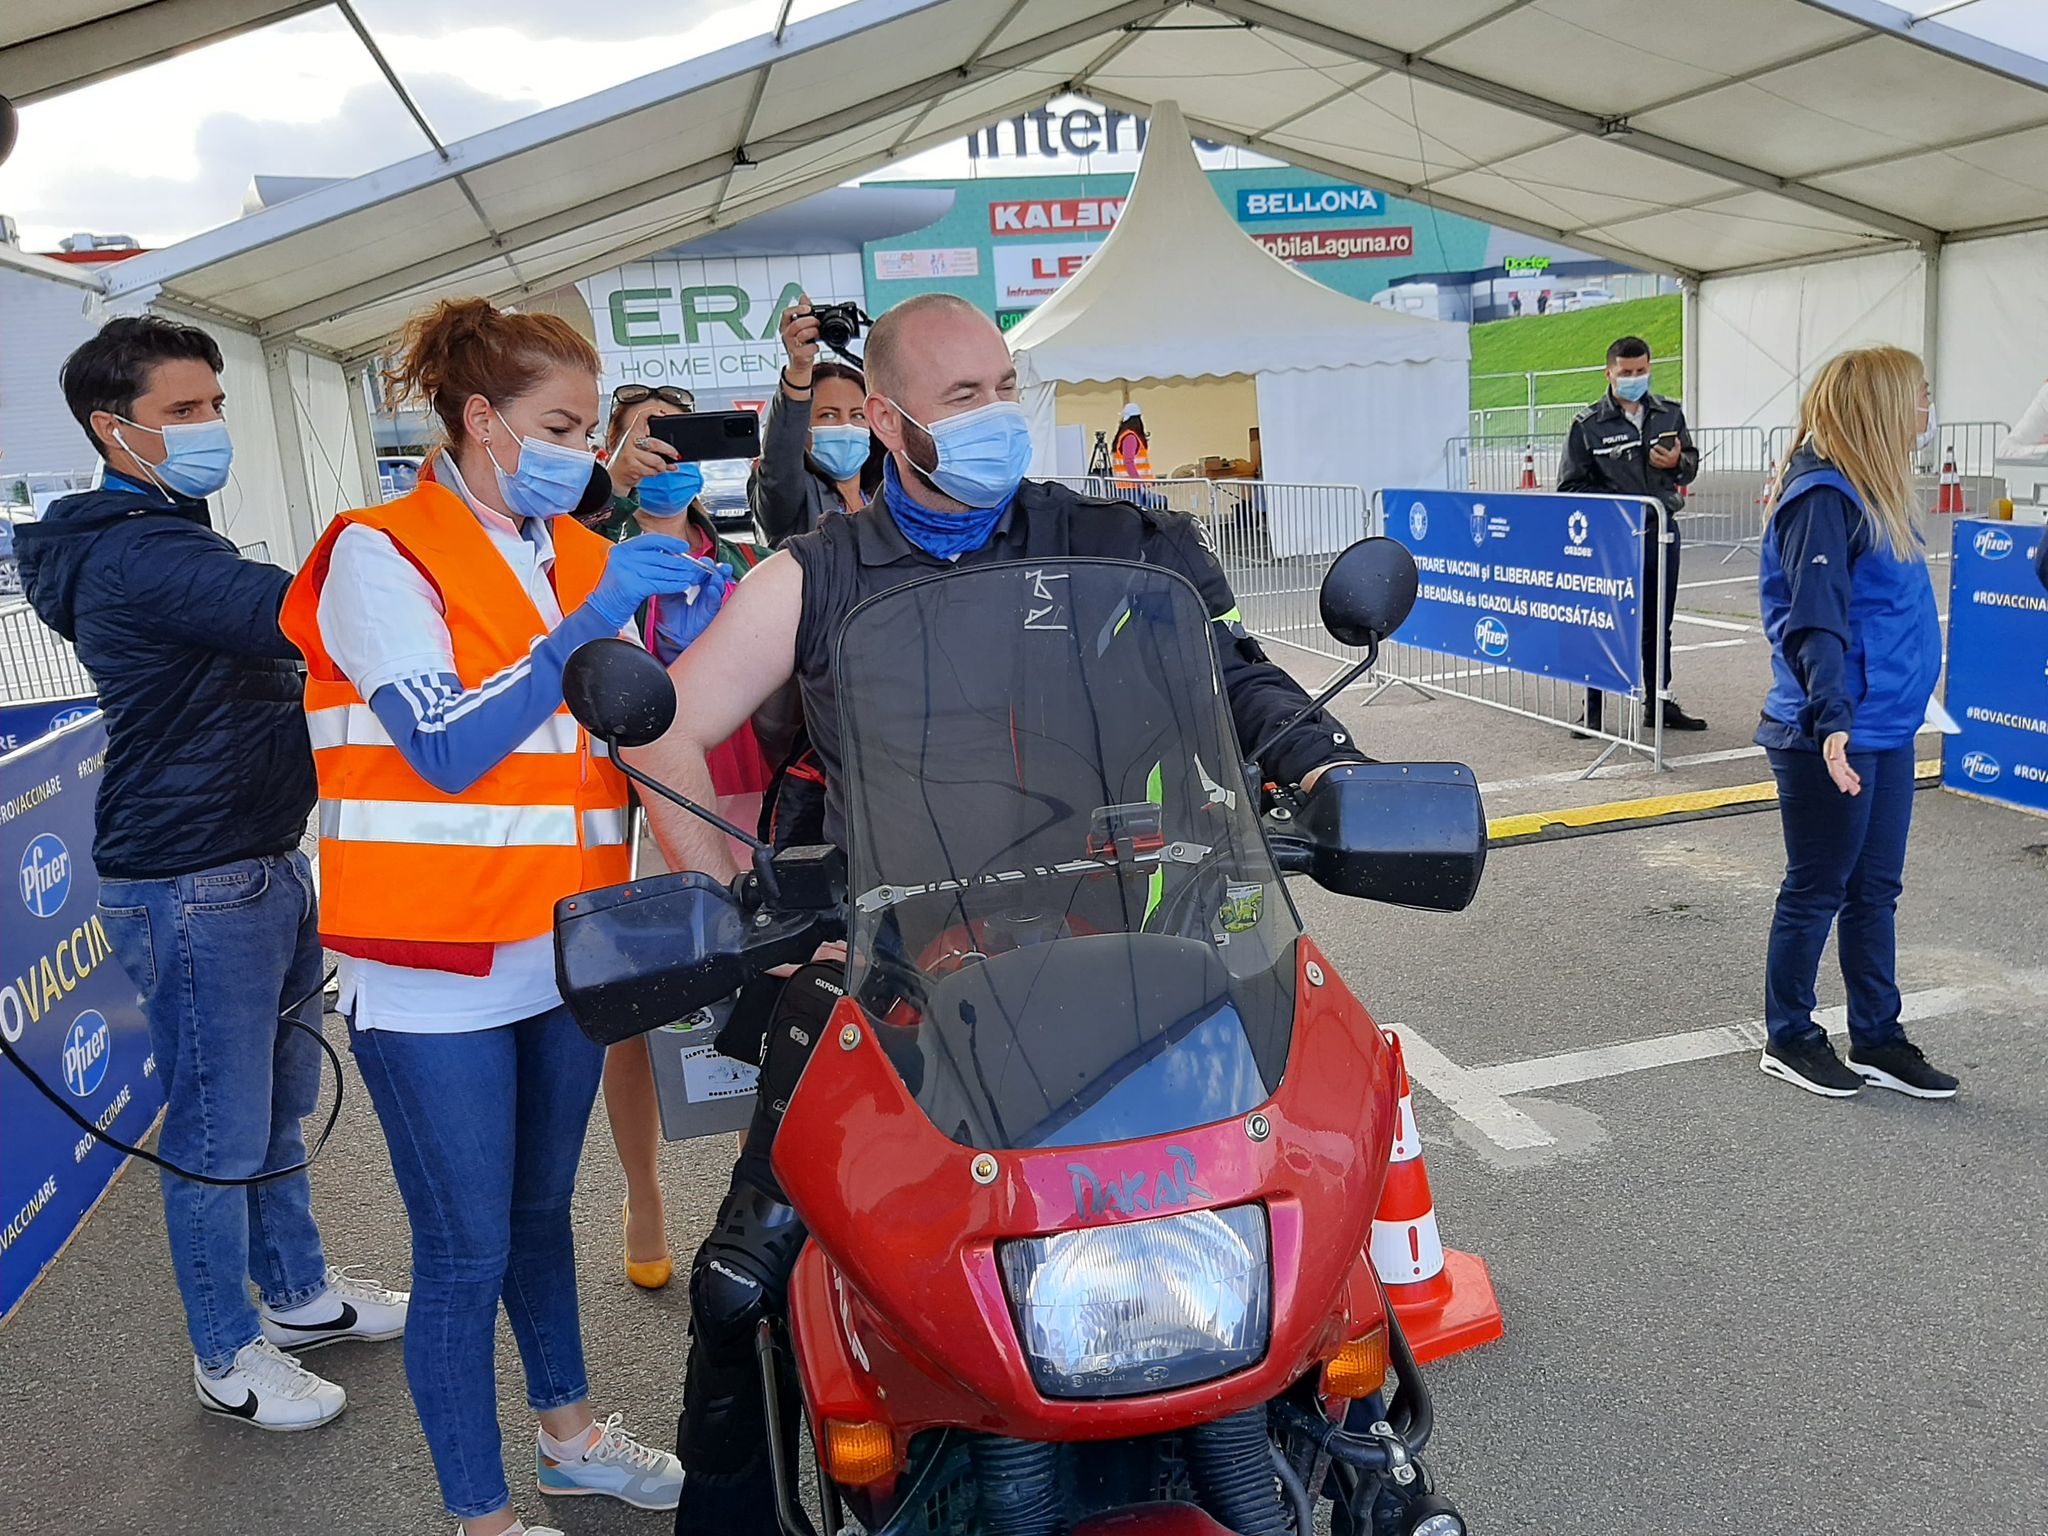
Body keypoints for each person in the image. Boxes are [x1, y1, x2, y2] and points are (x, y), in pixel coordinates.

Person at [629, 292, 1369, 1530]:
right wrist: (725, 900)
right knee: (739, 1282)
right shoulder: (814, 575)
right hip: (891, 969)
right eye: (962, 400)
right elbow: (665, 722)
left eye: (1006, 389)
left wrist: (1325, 766)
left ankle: (1352, 1465)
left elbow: (1232, 673)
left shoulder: (1109, 537)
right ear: (884, 418)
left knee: (1299, 1192)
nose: (995, 420)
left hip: (1128, 945)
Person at [278, 297, 711, 1536]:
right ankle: (482, 1518)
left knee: (536, 1220)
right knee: (463, 1256)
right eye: (560, 425)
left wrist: (716, 899)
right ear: (480, 422)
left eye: (588, 423)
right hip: (432, 974)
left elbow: (638, 748)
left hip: (563, 954)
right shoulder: (381, 552)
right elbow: (448, 747)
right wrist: (583, 625)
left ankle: (569, 1441)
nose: (583, 449)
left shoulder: (577, 554)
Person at [17, 316, 409, 1432]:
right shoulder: (145, 552)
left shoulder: (163, 532)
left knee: (276, 1108)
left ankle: (296, 1298)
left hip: (250, 861)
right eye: (183, 413)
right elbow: (302, 611)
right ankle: (226, 1353)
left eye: (215, 405)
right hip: (194, 882)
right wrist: (423, 542)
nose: (211, 427)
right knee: (216, 1131)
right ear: (114, 430)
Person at [589, 379, 768, 1293]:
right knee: (637, 1019)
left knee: (755, 1001)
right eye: (644, 438)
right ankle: (644, 1193)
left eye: (678, 436)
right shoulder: (589, 554)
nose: (667, 454)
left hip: (741, 800)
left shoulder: (740, 552)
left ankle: (750, 1195)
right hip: (632, 809)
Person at [1752, 345, 1954, 1102]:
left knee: (1875, 889)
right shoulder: (1823, 497)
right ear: (1883, 407)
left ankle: (1878, 1036)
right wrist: (1831, 720)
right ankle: (1791, 1035)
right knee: (1818, 888)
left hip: (1883, 729)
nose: (1928, 410)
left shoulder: (1872, 491)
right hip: (1832, 733)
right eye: (1921, 396)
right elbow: (1815, 622)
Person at [1557, 335, 1706, 734]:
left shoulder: (1669, 415)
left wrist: (1678, 461)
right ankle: (1593, 710)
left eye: (1641, 371)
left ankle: (1659, 701)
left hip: (1660, 533)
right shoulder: (1588, 425)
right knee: (1602, 621)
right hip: (1611, 542)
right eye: (1626, 373)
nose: (1634, 379)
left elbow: (1689, 466)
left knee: (1659, 623)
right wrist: (1618, 505)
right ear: (1609, 373)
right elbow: (1569, 488)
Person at [749, 295, 882, 546]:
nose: (846, 426)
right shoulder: (792, 499)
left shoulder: (888, 491)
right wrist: (800, 368)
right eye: (828, 415)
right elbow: (781, 456)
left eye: (858, 415)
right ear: (803, 428)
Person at [584, 383, 696, 542]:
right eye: (643, 443)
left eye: (674, 442)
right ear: (613, 453)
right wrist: (615, 487)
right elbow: (576, 548)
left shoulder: (741, 554)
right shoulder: (599, 544)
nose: (659, 461)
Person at [1114, 400, 1153, 485]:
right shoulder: (1130, 437)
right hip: (1132, 486)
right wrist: (1139, 482)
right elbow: (1129, 462)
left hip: (1128, 485)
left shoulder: (1126, 435)